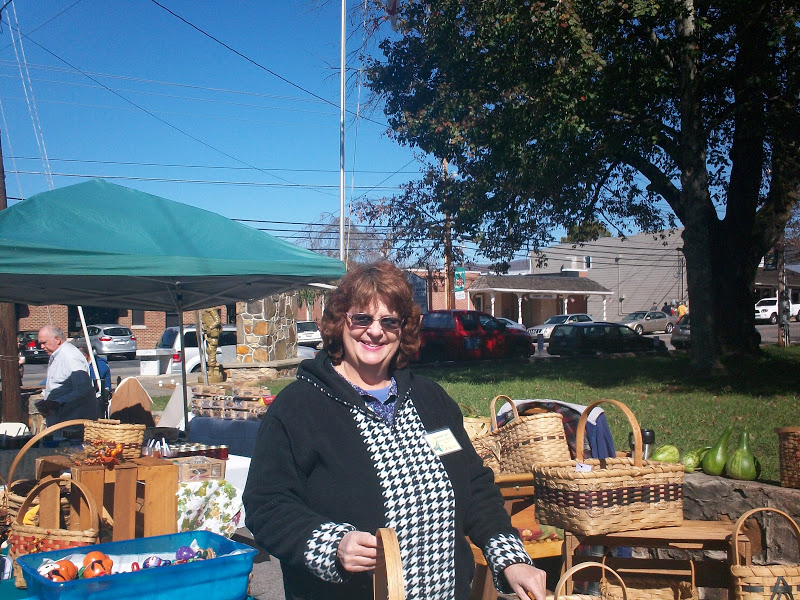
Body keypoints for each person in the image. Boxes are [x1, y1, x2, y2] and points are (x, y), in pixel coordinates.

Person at [243, 262, 546, 600]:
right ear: (340, 321)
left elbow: (475, 488)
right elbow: (267, 505)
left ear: (403, 329)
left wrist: (510, 559)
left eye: (389, 321)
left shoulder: (431, 400)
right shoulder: (298, 407)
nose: (375, 331)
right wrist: (331, 544)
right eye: (362, 318)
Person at [35, 325, 99, 426]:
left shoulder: (70, 356)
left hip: (72, 422)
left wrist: (57, 402)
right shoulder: (57, 355)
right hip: (60, 420)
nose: (42, 347)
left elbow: (83, 388)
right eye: (40, 344)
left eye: (44, 343)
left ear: (57, 339)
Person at [79, 345, 112, 415]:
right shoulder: (86, 365)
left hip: (101, 397)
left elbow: (94, 382)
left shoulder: (99, 364)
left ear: (84, 356)